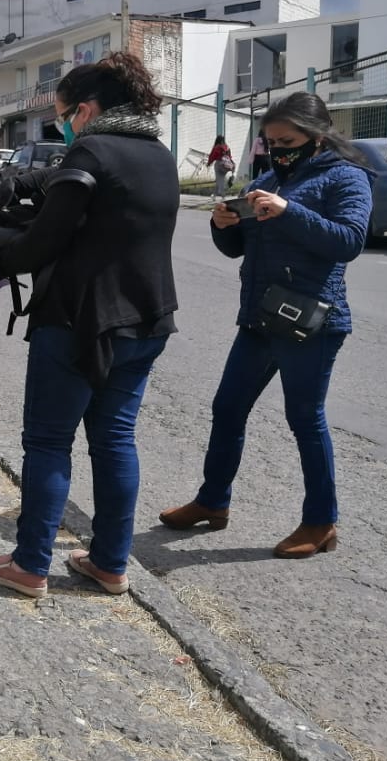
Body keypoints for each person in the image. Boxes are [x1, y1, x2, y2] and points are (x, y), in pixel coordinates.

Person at [0, 52, 179, 597]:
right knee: (115, 440)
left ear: (85, 109)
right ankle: (109, 563)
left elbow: (48, 237)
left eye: (62, 115)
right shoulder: (159, 154)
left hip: (79, 321)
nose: (62, 125)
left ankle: (30, 565)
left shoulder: (92, 150)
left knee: (48, 441)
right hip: (147, 320)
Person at [159, 92, 372, 558]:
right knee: (227, 408)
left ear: (317, 137)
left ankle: (321, 522)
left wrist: (289, 211)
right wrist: (224, 225)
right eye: (271, 142)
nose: (278, 150)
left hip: (310, 322)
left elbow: (349, 241)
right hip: (260, 318)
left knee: (305, 420)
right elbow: (238, 249)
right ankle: (213, 501)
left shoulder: (346, 177)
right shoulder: (267, 179)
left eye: (287, 142)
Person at [208, 134, 233, 198]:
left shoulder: (217, 147)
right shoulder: (227, 147)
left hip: (219, 164)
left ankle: (223, 195)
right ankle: (214, 195)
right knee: (219, 180)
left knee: (220, 180)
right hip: (226, 166)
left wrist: (209, 163)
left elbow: (212, 156)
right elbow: (230, 157)